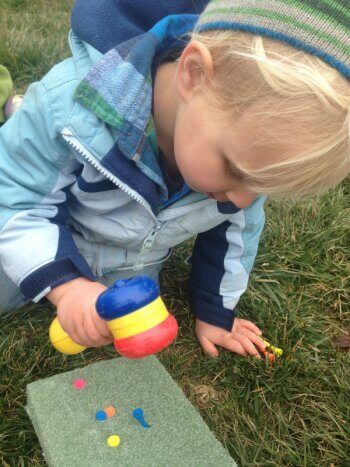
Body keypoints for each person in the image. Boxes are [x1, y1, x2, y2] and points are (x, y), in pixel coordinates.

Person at [0, 1, 349, 359]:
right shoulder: (72, 110)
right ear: (192, 74)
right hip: (53, 227)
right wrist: (67, 288)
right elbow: (13, 201)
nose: (242, 201)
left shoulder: (240, 165)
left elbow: (234, 235)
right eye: (236, 169)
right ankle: (22, 113)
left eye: (261, 187)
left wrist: (216, 312)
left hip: (128, 261)